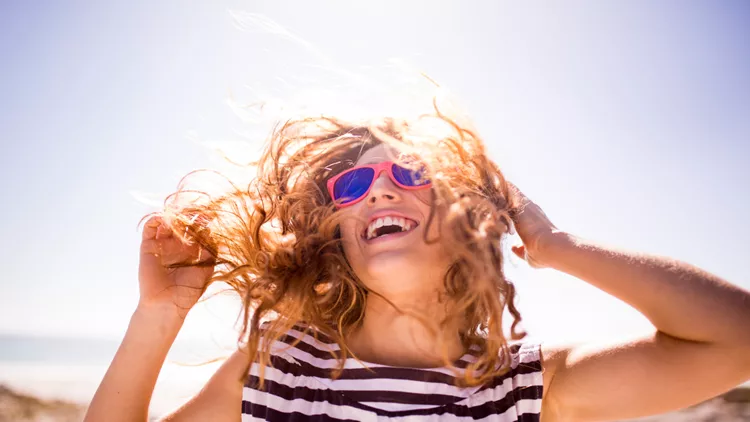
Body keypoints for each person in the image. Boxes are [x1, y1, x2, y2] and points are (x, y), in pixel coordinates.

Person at [84, 113, 750, 422]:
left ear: (469, 217)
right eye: (351, 183)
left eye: (412, 173)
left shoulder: (523, 391)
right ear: (336, 237)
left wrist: (556, 245)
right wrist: (159, 314)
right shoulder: (277, 371)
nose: (378, 187)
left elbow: (737, 337)